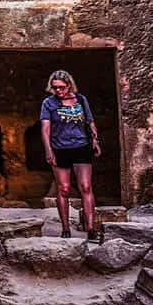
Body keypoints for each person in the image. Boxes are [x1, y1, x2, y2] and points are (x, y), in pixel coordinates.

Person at [41, 69, 101, 239]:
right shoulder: (48, 103)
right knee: (64, 188)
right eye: (55, 88)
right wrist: (48, 150)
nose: (58, 91)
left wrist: (95, 141)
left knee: (86, 187)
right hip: (59, 148)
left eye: (61, 87)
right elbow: (45, 129)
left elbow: (90, 122)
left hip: (81, 146)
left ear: (69, 85)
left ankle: (91, 228)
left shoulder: (81, 100)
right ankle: (66, 229)